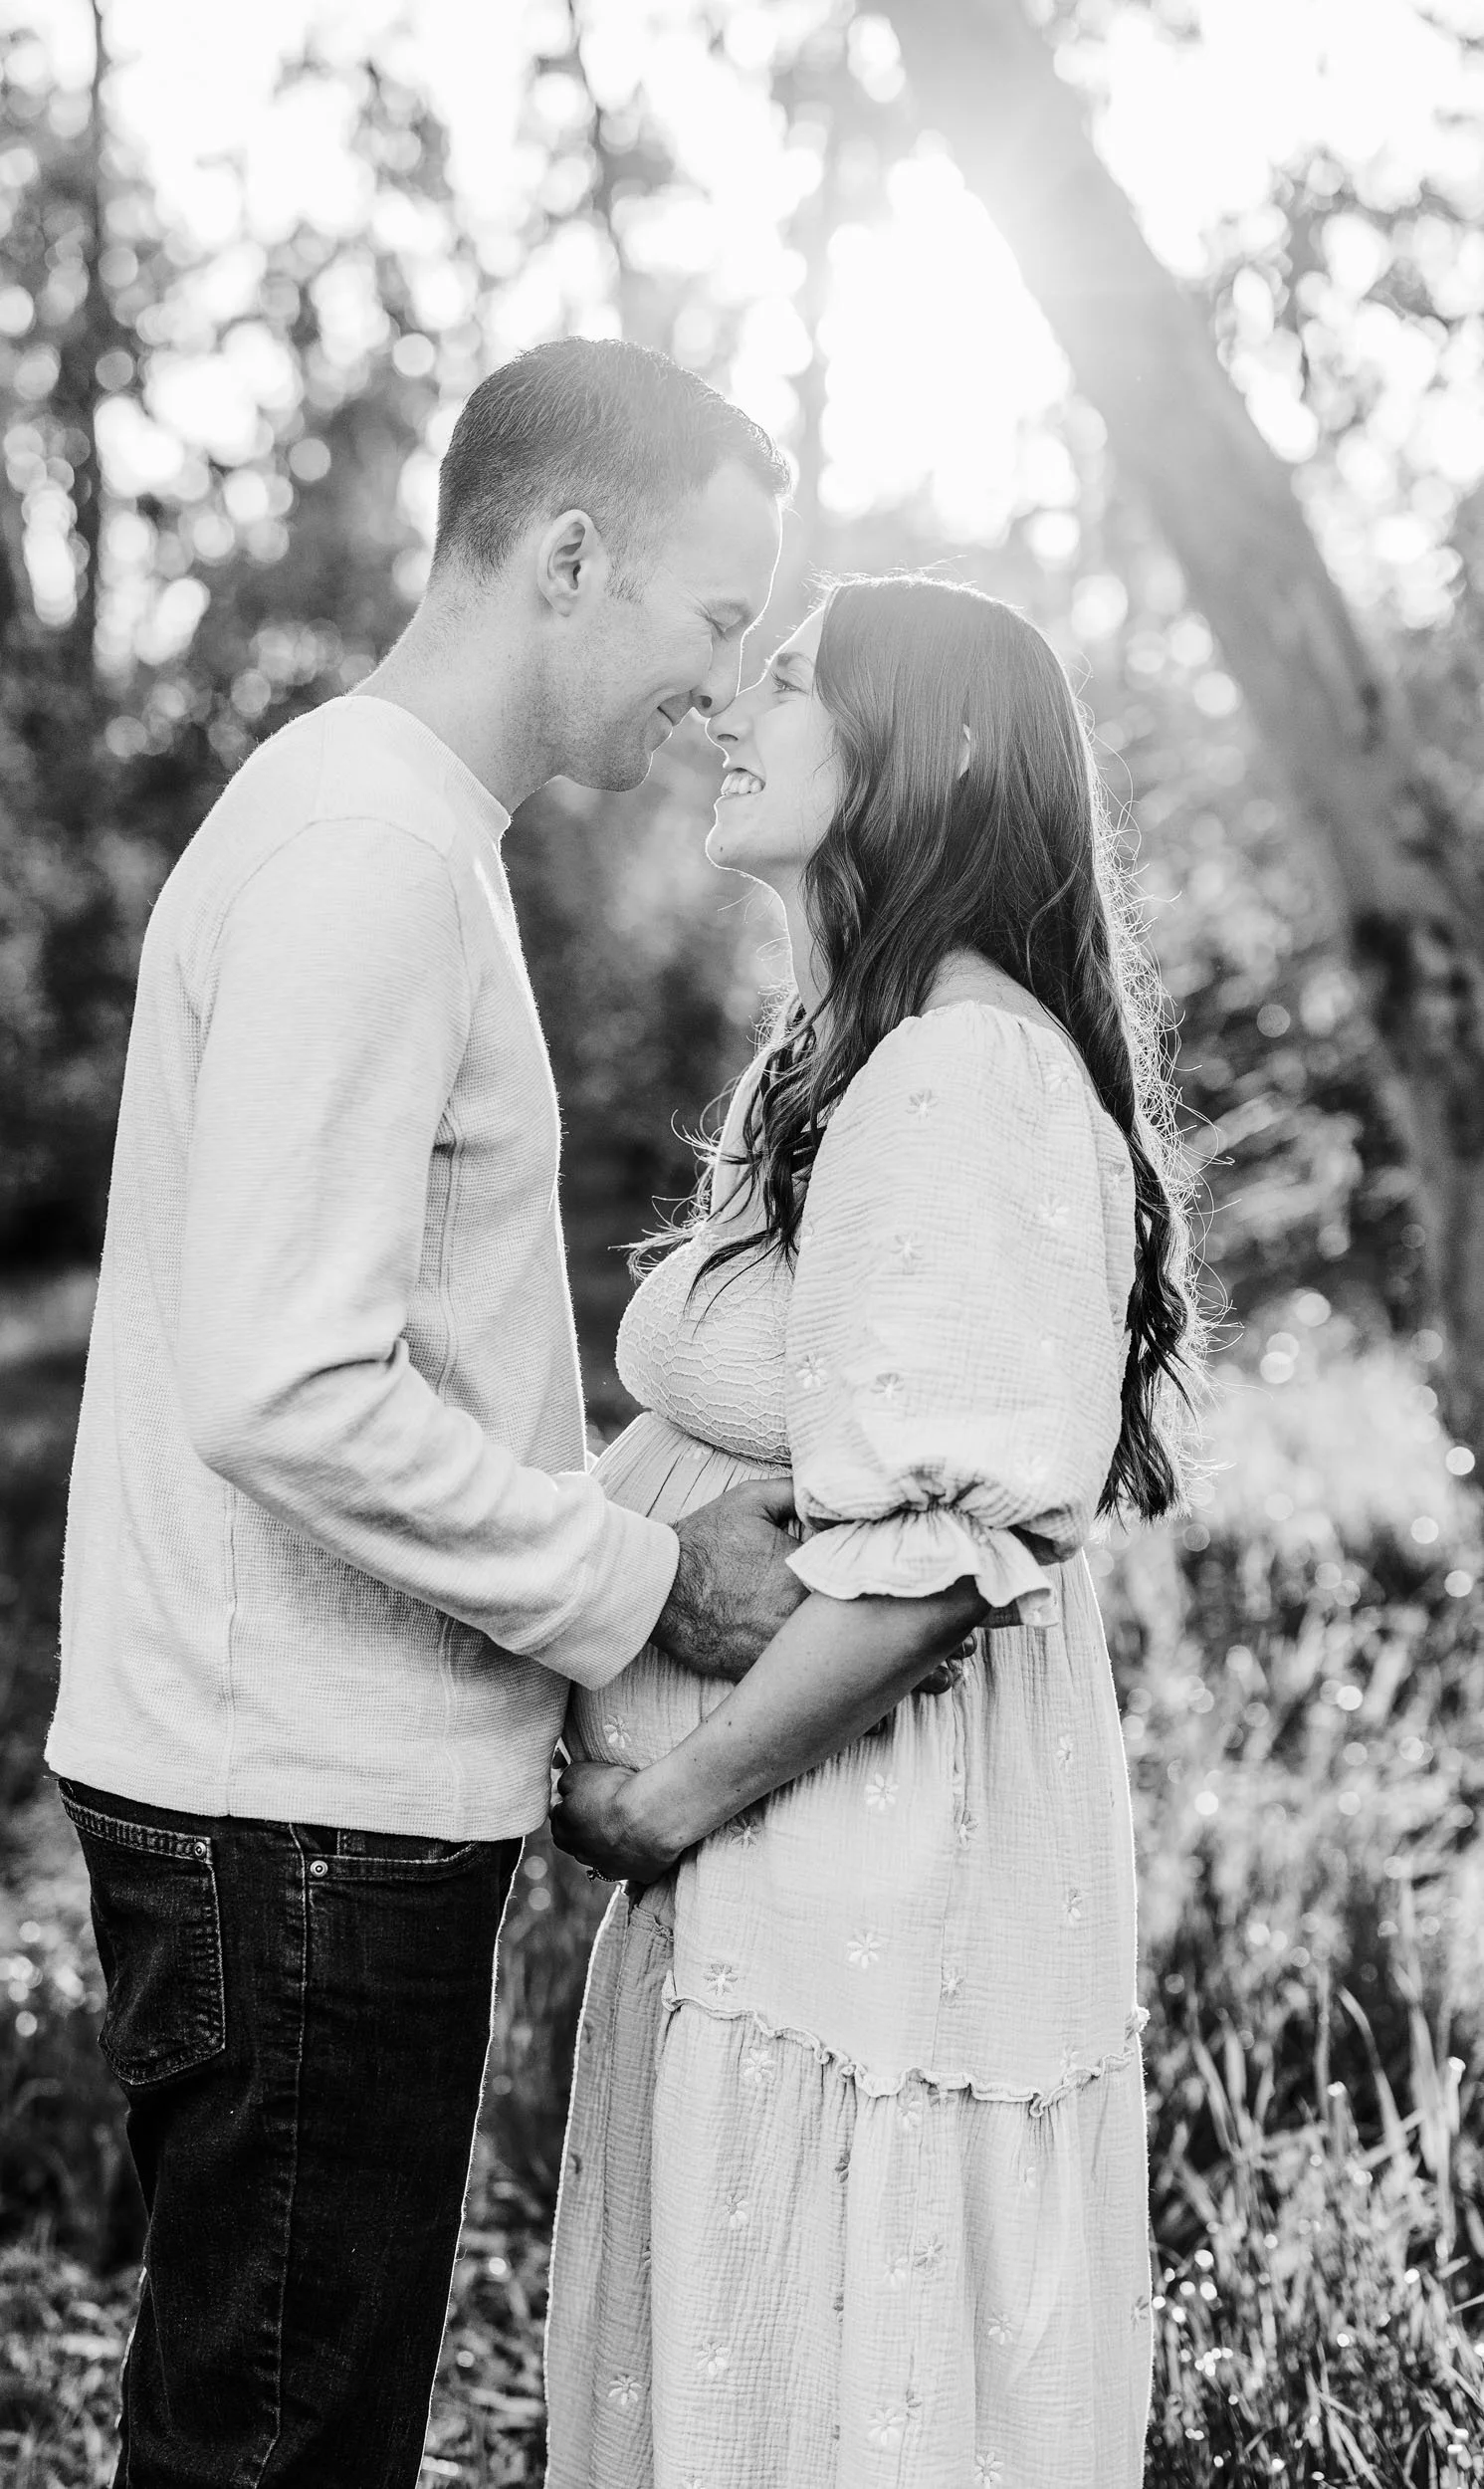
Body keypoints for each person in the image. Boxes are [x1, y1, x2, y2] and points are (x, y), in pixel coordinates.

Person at [44, 338, 803, 2488]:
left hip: (304, 1792)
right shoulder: (366, 849)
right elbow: (285, 1375)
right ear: (568, 553)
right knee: (282, 2445)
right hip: (288, 1809)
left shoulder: (395, 826)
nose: (714, 688)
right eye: (708, 620)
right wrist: (642, 1580)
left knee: (262, 2414)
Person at [547, 573, 1202, 2488]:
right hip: (802, 1866)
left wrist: (670, 1802)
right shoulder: (855, 1053)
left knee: (848, 2392)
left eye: (791, 681)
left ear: (940, 750)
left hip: (864, 1876)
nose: (725, 709)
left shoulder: (964, 1071)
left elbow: (939, 1558)